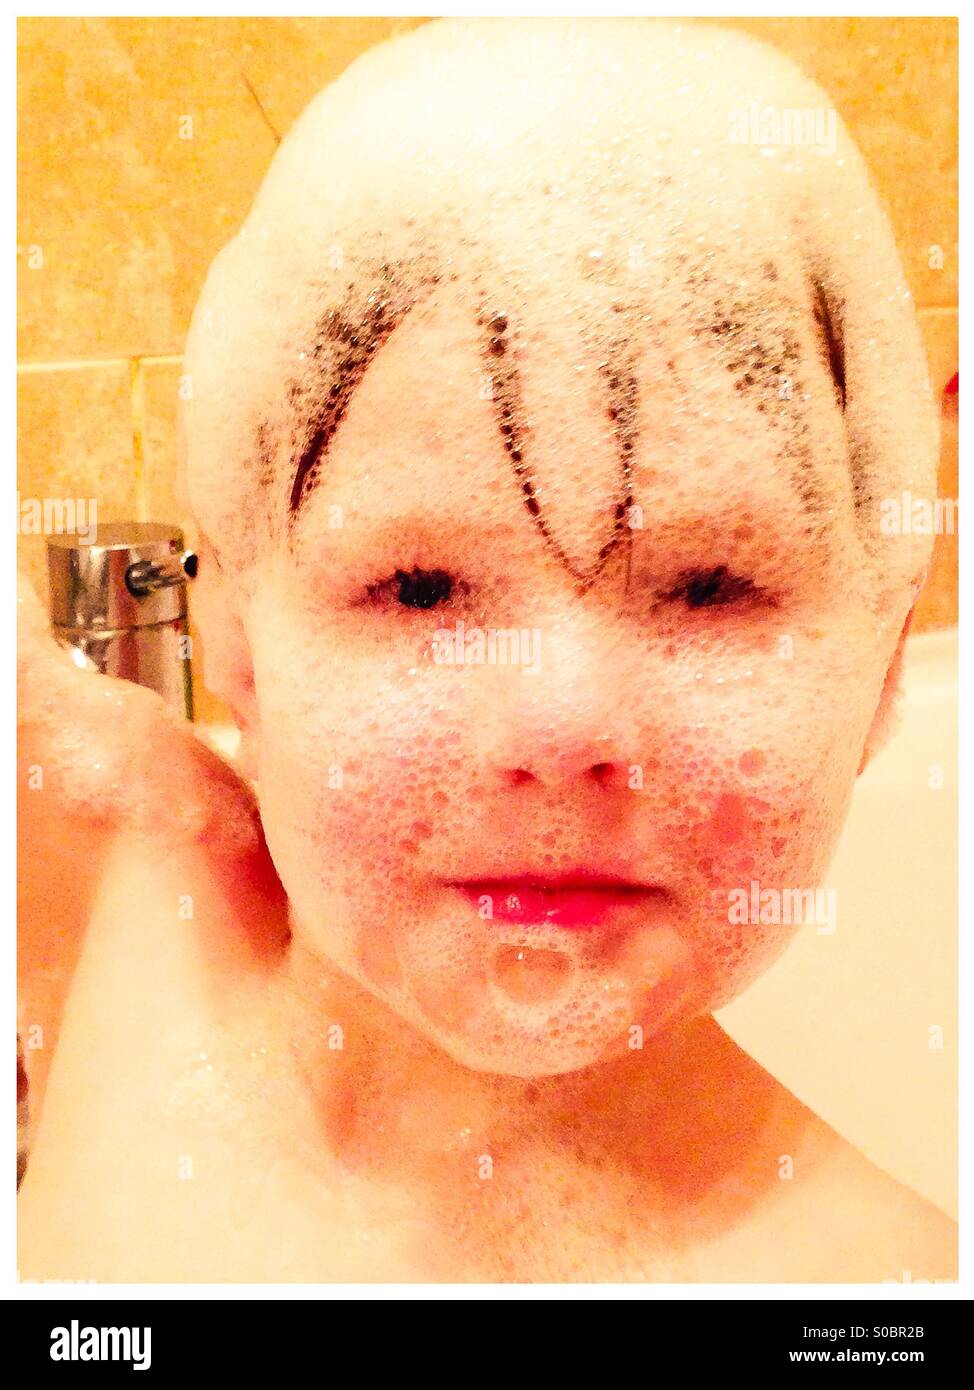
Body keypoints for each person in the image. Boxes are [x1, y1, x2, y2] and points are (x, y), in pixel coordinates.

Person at [18, 17, 956, 1283]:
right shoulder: (130, 881)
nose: (561, 729)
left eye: (705, 587)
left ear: (881, 662)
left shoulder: (873, 1291)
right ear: (234, 629)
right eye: (417, 587)